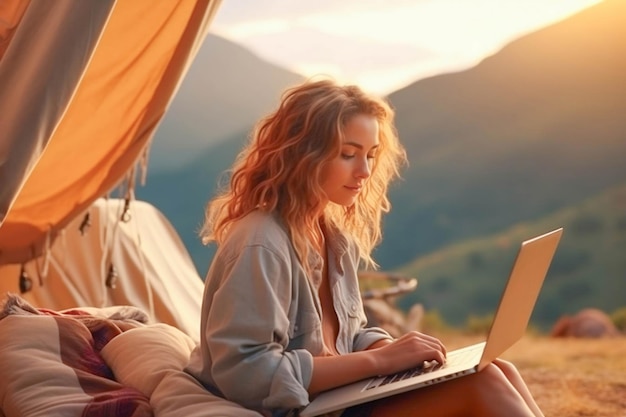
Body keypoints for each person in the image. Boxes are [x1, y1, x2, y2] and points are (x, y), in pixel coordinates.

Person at [185, 78, 544, 417]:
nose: (364, 171)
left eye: (371, 154)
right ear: (302, 154)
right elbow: (246, 372)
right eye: (348, 154)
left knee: (497, 368)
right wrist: (381, 363)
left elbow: (348, 334)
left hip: (338, 397)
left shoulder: (329, 234)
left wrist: (388, 350)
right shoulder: (262, 242)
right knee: (483, 383)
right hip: (302, 407)